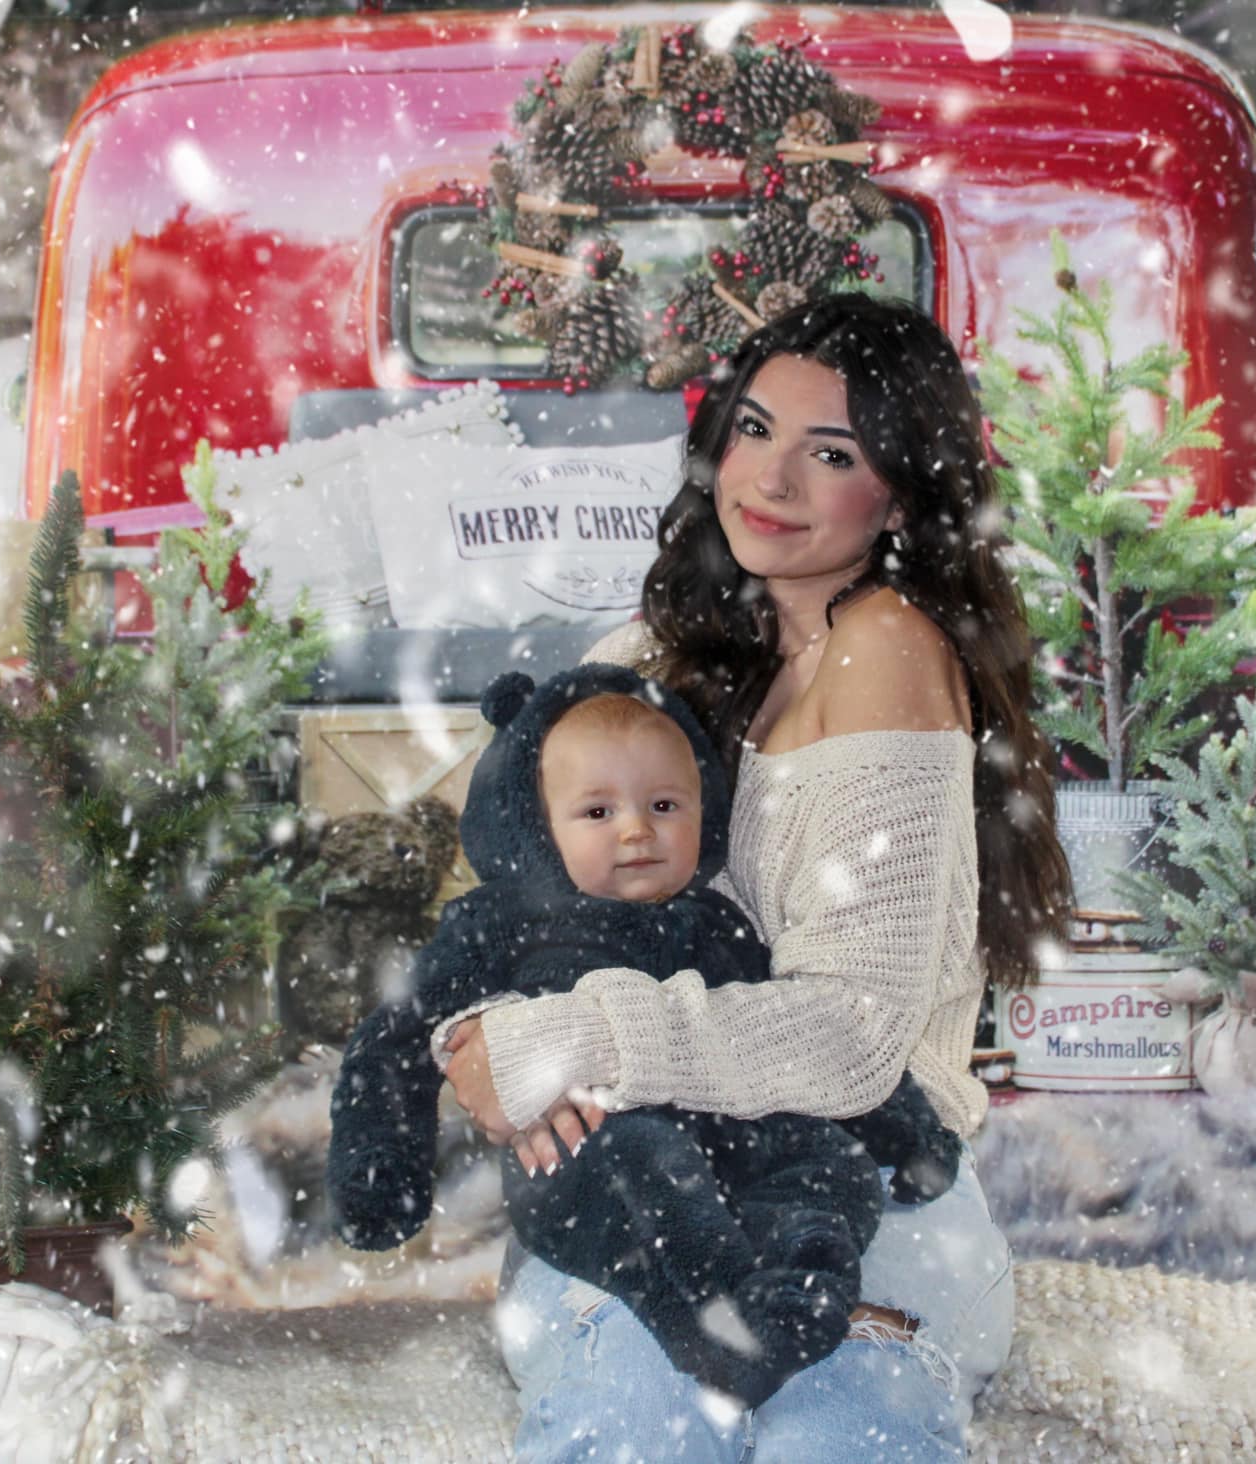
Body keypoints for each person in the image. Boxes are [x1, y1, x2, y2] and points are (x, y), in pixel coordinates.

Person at [443, 292, 1072, 1461]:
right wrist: (481, 1026)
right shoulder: (665, 638)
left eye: (828, 453)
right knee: (638, 1417)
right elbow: (509, 875)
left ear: (897, 489)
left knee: (837, 1430)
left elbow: (848, 1039)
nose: (769, 481)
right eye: (752, 429)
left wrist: (566, 1041)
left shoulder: (881, 641)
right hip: (645, 1188)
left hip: (874, 1201)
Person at [326, 663, 959, 1405]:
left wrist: (910, 1132)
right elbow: (395, 1037)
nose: (637, 831)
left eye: (665, 804)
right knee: (644, 1164)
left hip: (739, 1140)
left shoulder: (722, 922)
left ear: (705, 811)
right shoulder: (500, 922)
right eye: (597, 813)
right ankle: (718, 1326)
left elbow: (803, 1031)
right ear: (535, 824)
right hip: (591, 1151)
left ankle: (797, 1288)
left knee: (827, 1162)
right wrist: (380, 1175)